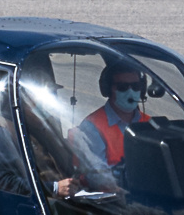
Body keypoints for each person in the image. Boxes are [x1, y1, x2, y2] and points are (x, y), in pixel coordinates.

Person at [54, 61, 149, 199]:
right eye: (123, 87)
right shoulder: (92, 127)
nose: (131, 92)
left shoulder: (150, 123)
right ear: (108, 89)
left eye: (135, 86)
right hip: (111, 203)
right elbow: (98, 175)